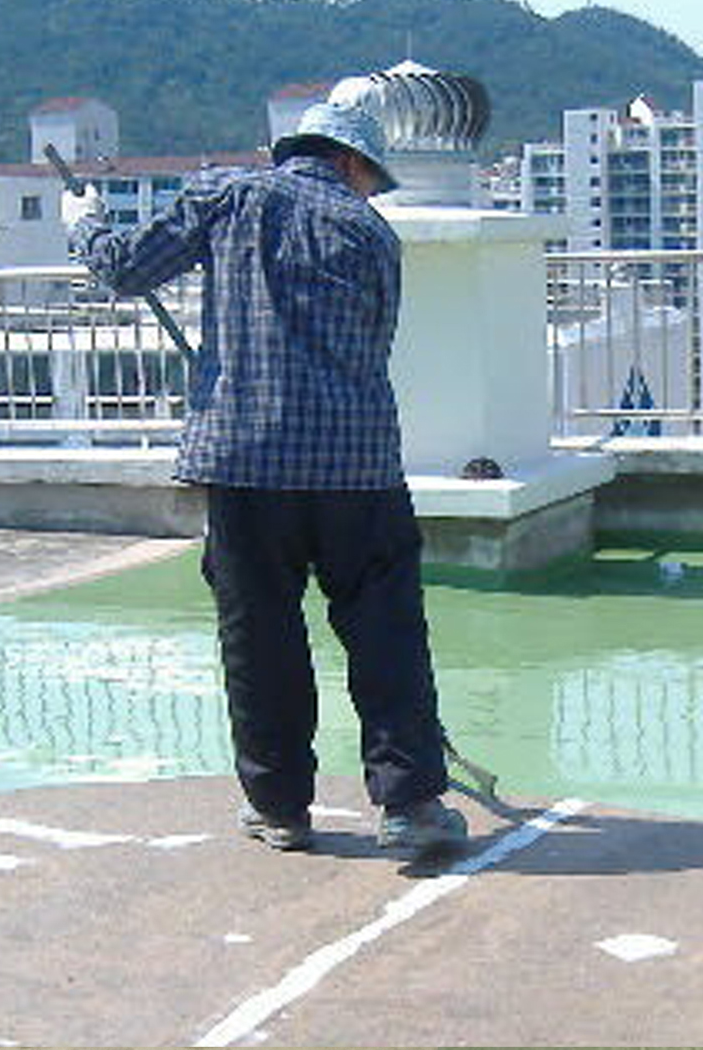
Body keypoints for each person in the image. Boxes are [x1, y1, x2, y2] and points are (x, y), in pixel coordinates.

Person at [64, 102, 467, 856]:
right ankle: (410, 804)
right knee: (386, 633)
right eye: (372, 177)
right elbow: (372, 345)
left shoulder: (228, 196)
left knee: (261, 639)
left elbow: (122, 268)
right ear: (351, 161)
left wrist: (83, 222)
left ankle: (280, 808)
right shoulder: (373, 232)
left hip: (247, 459)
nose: (371, 190)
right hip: (358, 463)